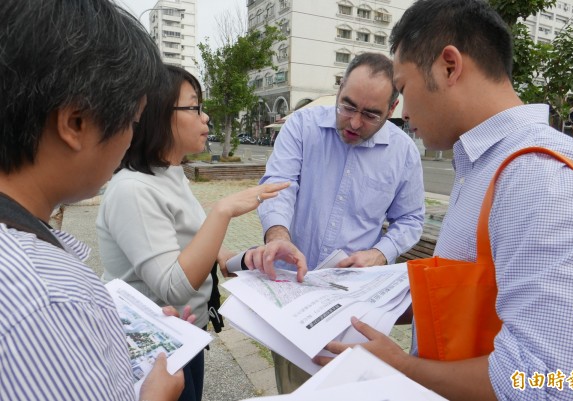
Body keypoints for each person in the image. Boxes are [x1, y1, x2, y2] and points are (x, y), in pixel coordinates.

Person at [316, 1, 573, 399]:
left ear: (449, 66)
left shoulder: (538, 178)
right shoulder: (489, 164)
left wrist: (402, 367)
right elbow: (479, 293)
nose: (404, 111)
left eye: (403, 88)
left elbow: (562, 381)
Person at [0, 0, 187, 399]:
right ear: (76, 122)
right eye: (132, 122)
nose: (130, 139)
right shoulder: (49, 298)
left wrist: (100, 330)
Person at [235, 52, 425, 394]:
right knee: (294, 386)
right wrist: (278, 234)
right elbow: (279, 185)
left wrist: (381, 253)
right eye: (347, 106)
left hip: (355, 298)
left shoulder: (403, 153)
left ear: (393, 108)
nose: (353, 123)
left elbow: (410, 219)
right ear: (339, 89)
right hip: (296, 289)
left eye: (370, 114)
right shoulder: (301, 126)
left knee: (348, 388)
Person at [96, 65, 289, 401]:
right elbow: (174, 286)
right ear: (157, 115)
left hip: (186, 333)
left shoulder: (170, 173)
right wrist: (223, 210)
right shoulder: (133, 189)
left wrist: (242, 259)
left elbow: (195, 243)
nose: (206, 118)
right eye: (195, 107)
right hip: (155, 351)